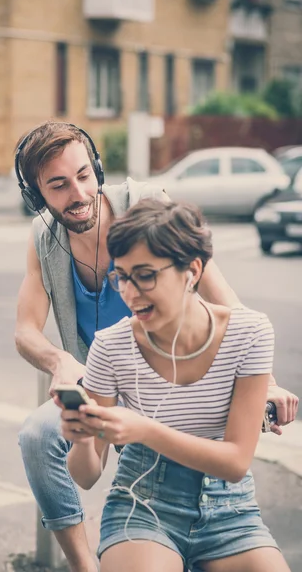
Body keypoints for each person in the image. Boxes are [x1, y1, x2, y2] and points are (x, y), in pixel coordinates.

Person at [15, 122, 298, 572]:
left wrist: (265, 383)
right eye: (60, 185)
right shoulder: (44, 240)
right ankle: (84, 565)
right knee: (37, 435)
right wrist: (62, 365)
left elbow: (222, 298)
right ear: (38, 195)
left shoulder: (146, 207)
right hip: (103, 376)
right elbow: (25, 330)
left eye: (84, 175)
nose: (79, 193)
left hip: (214, 482)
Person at [59, 199, 292, 572]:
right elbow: (86, 477)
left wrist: (144, 429)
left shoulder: (249, 332)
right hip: (142, 504)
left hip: (230, 508)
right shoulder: (111, 345)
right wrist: (84, 438)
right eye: (120, 277)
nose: (130, 294)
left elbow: (235, 462)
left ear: (192, 270)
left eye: (146, 275)